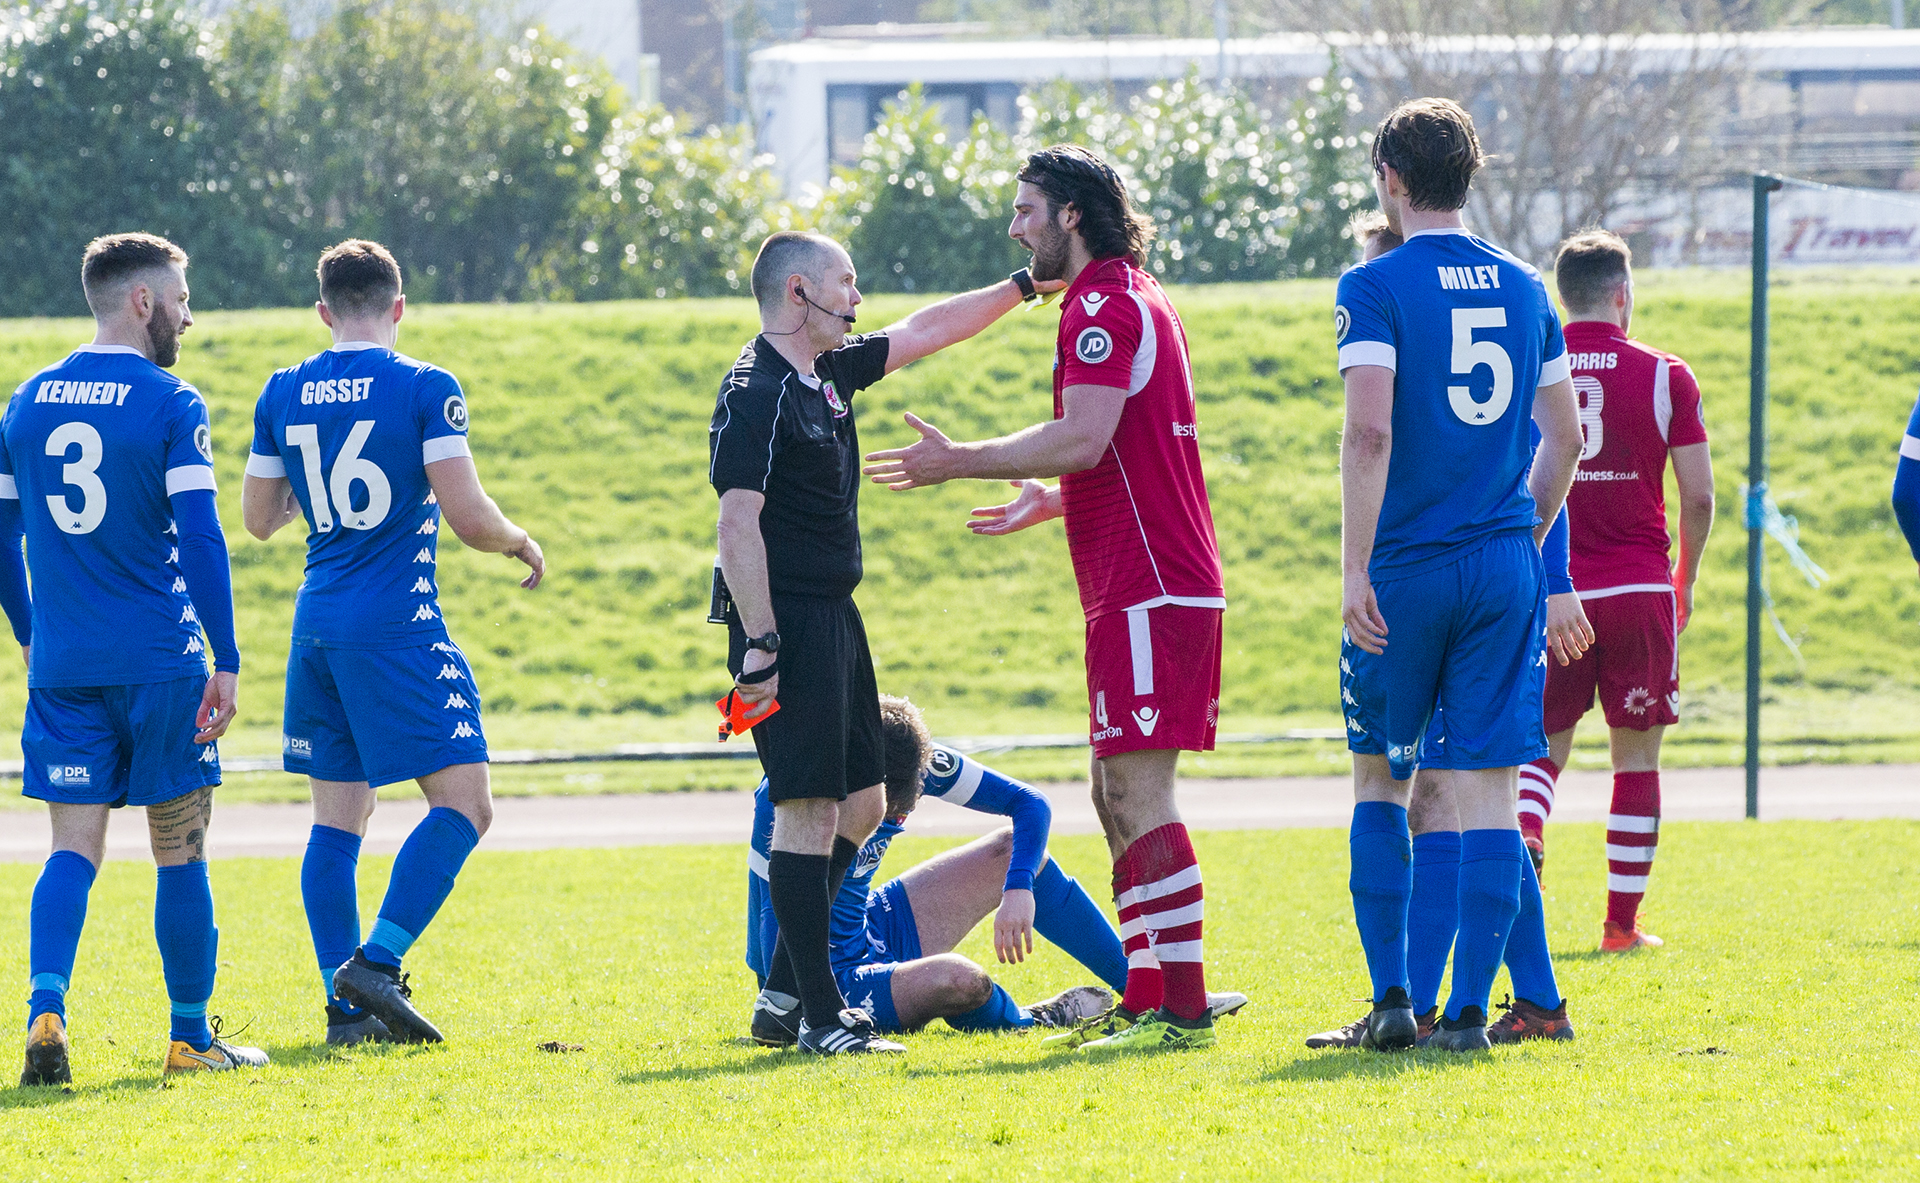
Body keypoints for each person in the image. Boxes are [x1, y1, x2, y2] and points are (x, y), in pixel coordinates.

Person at [862, 145, 1226, 1055]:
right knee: (1113, 789)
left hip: (1150, 585)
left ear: (1071, 214)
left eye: (1027, 208)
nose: (1015, 225)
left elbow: (1086, 435)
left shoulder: (1101, 302)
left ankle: (1177, 1001)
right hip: (1137, 581)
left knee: (1141, 790)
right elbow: (1129, 451)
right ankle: (1149, 991)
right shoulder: (1138, 295)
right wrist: (1056, 500)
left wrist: (960, 461)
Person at [712, 230, 1066, 1056]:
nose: (860, 298)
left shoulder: (825, 373)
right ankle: (821, 1015)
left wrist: (1022, 285)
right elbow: (737, 524)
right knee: (808, 811)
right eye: (848, 281)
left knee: (867, 804)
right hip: (784, 623)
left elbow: (928, 327)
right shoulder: (754, 390)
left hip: (836, 614)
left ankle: (786, 989)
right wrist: (760, 645)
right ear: (799, 293)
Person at [241, 239, 545, 1046]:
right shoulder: (423, 385)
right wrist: (520, 541)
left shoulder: (282, 390)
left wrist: (320, 501)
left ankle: (347, 1012)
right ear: (399, 307)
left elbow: (259, 519)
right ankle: (375, 963)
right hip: (394, 626)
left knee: (337, 822)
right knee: (466, 803)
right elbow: (469, 516)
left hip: (317, 624)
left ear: (323, 312)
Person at [1332, 98, 1584, 1053]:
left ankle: (1394, 999)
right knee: (1486, 786)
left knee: (1381, 782)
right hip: (1499, 565)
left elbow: (1370, 429)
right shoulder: (1528, 288)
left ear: (1390, 176)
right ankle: (1472, 1013)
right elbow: (1564, 437)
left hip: (1406, 568)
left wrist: (1356, 565)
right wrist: (1525, 532)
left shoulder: (1376, 284)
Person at [3, 233, 265, 1083]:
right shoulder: (171, 401)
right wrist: (224, 654)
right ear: (142, 301)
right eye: (181, 299)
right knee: (179, 849)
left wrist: (30, 628)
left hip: (65, 669)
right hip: (161, 662)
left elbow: (2, 534)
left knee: (70, 851)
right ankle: (189, 1038)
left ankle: (47, 1011)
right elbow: (199, 534)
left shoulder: (26, 402)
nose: (188, 315)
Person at [1519, 230, 1715, 952]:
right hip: (1638, 589)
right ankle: (1620, 925)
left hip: (1553, 590)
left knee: (1542, 748)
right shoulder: (1667, 375)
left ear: (1564, 296)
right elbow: (1698, 496)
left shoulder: (1536, 367)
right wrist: (1684, 576)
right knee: (1637, 758)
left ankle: (1528, 834)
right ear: (1623, 294)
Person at [747, 695, 1122, 1036]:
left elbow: (1029, 803)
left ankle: (1145, 988)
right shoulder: (795, 791)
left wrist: (1019, 886)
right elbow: (769, 920)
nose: (898, 817)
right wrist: (793, 1000)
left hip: (870, 928)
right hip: (815, 975)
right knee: (960, 979)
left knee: (1014, 851)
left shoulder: (908, 755)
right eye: (889, 813)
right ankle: (1030, 1019)